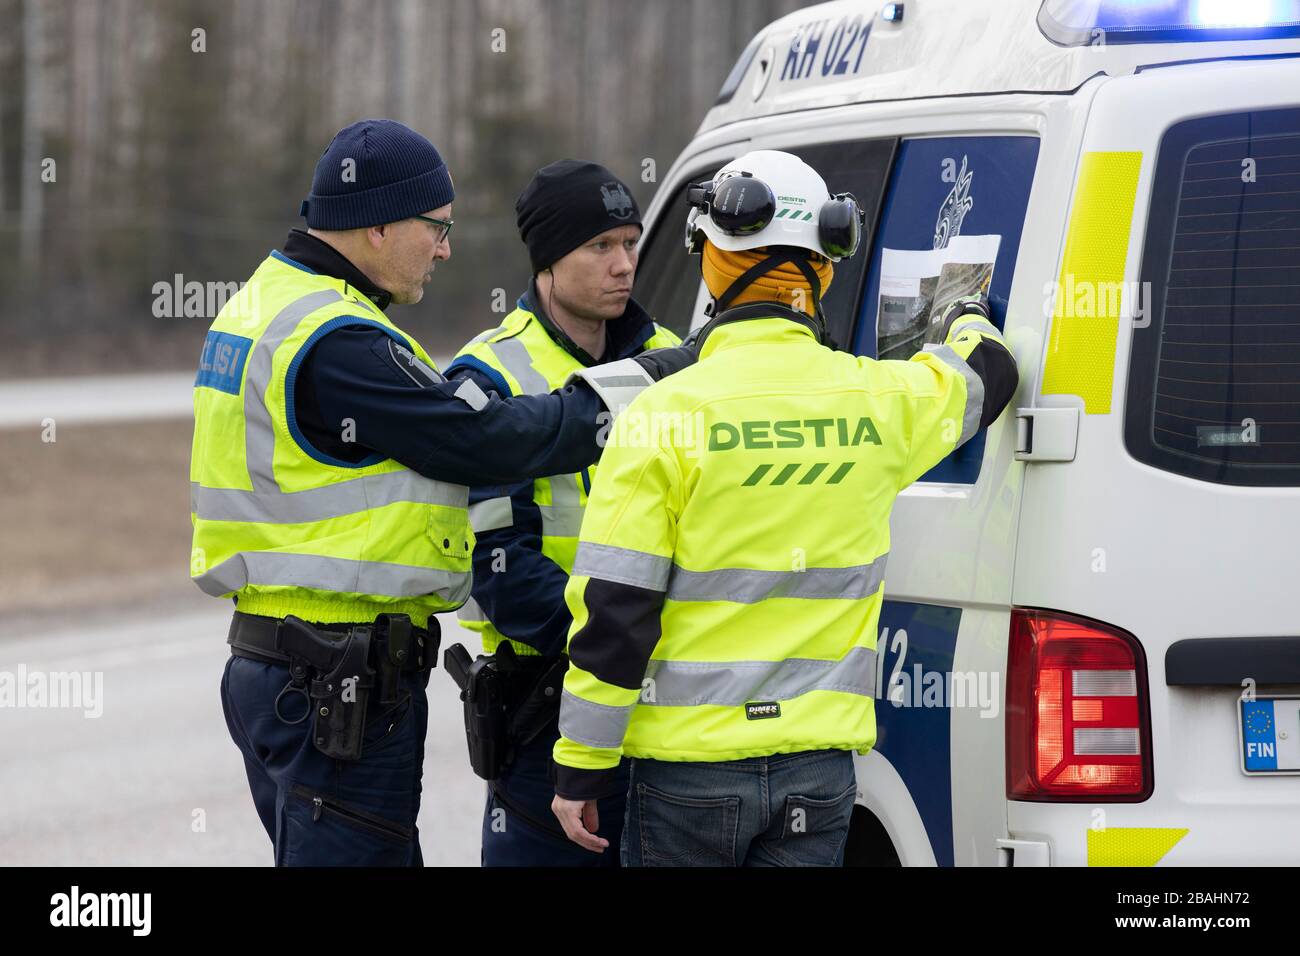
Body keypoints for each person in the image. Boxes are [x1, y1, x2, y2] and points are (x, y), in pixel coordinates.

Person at [190, 119, 691, 866]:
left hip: (289, 664)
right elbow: (480, 440)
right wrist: (636, 394)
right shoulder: (338, 337)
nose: (446, 249)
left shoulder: (268, 305)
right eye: (437, 229)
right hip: (337, 676)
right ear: (379, 224)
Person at [549, 150, 1019, 866]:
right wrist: (964, 316)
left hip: (689, 776)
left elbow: (616, 605)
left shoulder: (662, 414)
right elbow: (989, 375)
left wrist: (582, 761)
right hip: (817, 773)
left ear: (710, 264)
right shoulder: (882, 401)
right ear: (825, 269)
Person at [444, 160, 680, 866]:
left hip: (675, 704)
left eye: (632, 243)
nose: (624, 265)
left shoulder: (676, 361)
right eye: (600, 247)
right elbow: (500, 569)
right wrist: (613, 645)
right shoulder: (487, 376)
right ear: (548, 260)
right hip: (549, 702)